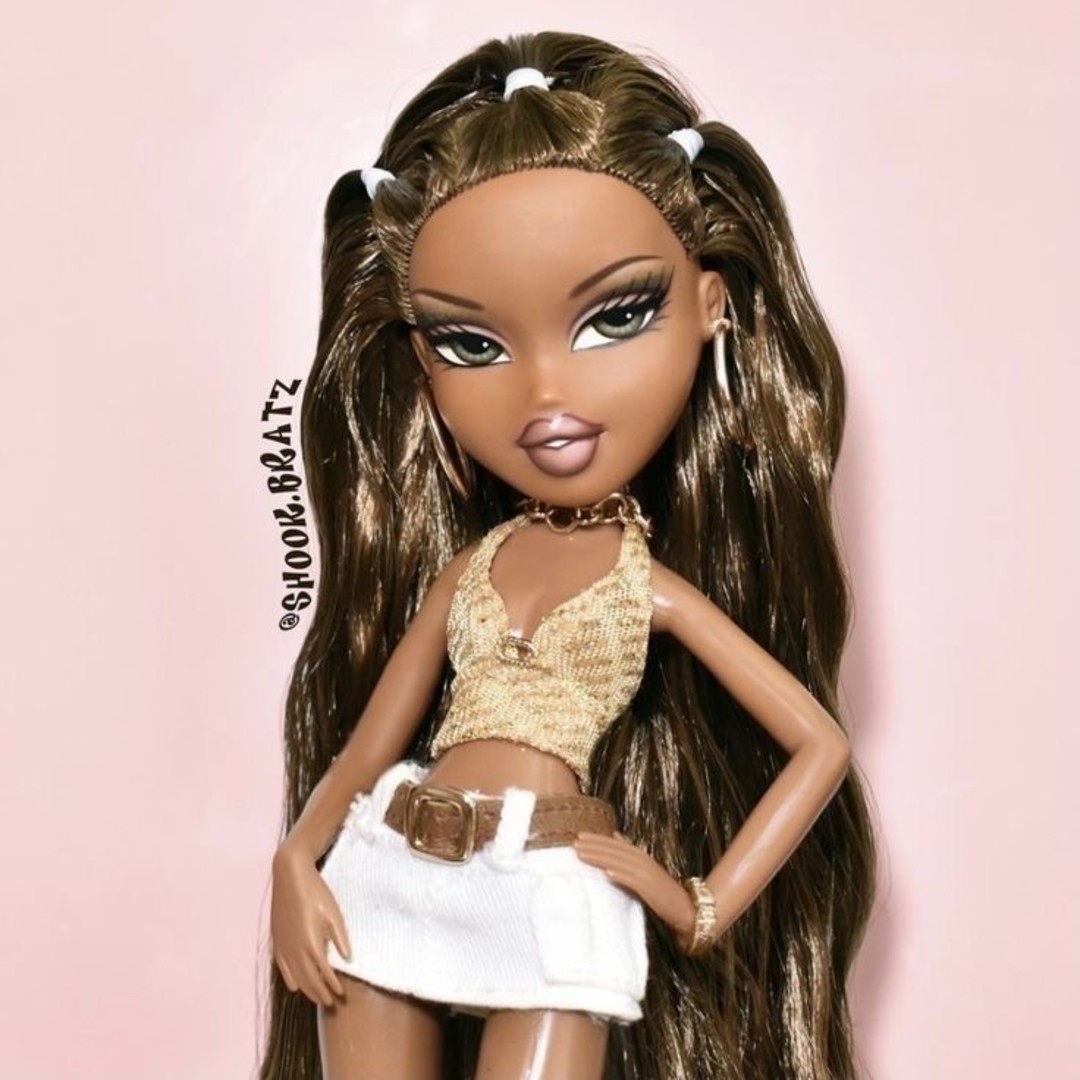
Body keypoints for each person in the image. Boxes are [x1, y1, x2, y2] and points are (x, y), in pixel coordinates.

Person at [260, 31, 876, 1080]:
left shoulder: (653, 592)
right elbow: (363, 754)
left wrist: (702, 903)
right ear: (421, 360)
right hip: (392, 860)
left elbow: (818, 743)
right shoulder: (469, 568)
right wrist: (293, 862)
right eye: (470, 344)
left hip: (550, 878)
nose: (546, 396)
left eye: (615, 316)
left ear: (711, 306)